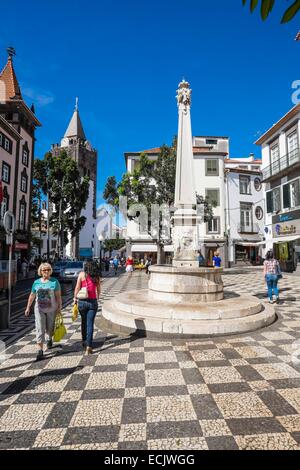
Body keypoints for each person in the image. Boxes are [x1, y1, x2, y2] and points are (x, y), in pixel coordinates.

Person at [25, 263, 62, 361]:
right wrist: (28, 307)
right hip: (39, 309)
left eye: (48, 270)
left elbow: (58, 297)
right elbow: (32, 295)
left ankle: (49, 338)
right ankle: (40, 350)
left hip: (52, 309)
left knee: (50, 328)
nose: (46, 272)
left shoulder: (55, 282)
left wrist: (59, 308)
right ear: (40, 271)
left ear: (50, 271)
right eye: (44, 270)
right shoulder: (36, 282)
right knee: (40, 328)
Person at [73, 261, 101, 355]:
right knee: (90, 324)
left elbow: (77, 288)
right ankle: (89, 345)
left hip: (82, 301)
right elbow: (98, 289)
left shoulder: (82, 274)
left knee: (83, 321)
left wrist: (75, 298)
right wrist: (98, 297)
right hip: (93, 302)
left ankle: (84, 340)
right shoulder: (96, 277)